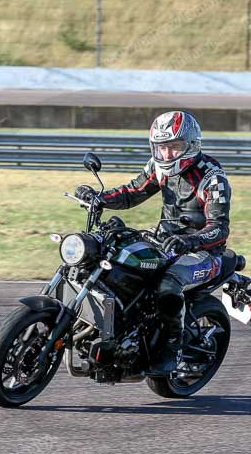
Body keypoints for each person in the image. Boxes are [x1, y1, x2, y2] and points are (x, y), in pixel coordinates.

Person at [75, 110, 232, 375]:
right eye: (161, 148)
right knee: (112, 254)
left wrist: (191, 241)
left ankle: (172, 346)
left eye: (174, 147)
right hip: (164, 241)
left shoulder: (212, 178)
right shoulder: (158, 167)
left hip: (204, 253)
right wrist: (100, 198)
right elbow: (131, 192)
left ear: (192, 145)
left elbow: (219, 229)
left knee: (168, 284)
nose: (167, 154)